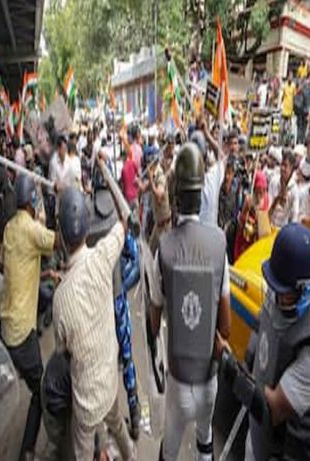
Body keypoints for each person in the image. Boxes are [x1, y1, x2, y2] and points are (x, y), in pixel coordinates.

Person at [148, 143, 232, 461]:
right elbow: (225, 327)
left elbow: (154, 323)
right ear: (200, 196)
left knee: (168, 451)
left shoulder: (164, 249)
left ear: (177, 196)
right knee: (205, 441)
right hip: (209, 381)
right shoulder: (219, 244)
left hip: (179, 382)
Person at [52, 186, 135, 461]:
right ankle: (131, 456)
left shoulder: (60, 299)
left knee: (83, 452)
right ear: (88, 225)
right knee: (118, 427)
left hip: (86, 402)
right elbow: (126, 219)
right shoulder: (103, 257)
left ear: (60, 235)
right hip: (109, 383)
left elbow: (62, 350)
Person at [218, 223, 310, 460]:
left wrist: (229, 366)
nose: (275, 297)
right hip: (257, 435)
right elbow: (263, 322)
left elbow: (273, 410)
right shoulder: (280, 292)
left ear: (304, 290)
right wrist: (251, 358)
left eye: (284, 293)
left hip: (285, 449)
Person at [0, 174, 59, 461]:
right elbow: (60, 240)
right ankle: (28, 451)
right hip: (22, 331)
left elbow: (10, 265)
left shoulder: (10, 228)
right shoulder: (32, 230)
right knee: (42, 391)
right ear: (33, 203)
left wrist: (45, 273)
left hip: (7, 325)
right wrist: (57, 200)